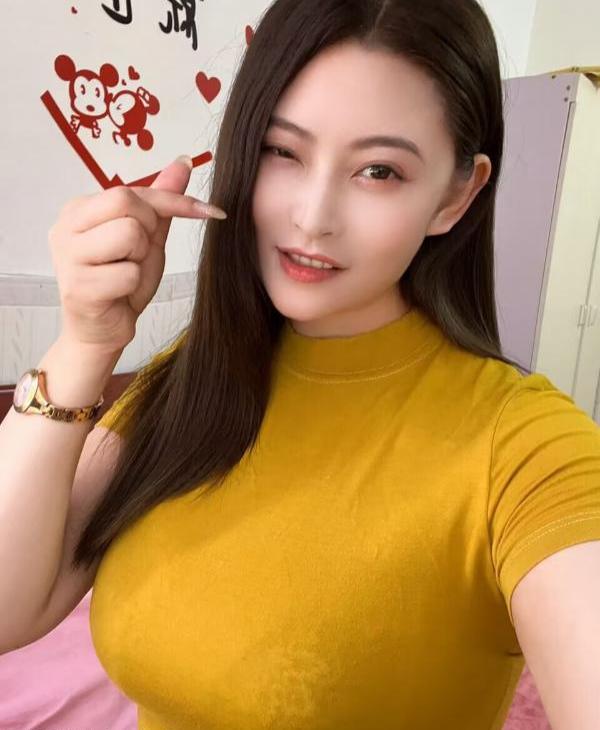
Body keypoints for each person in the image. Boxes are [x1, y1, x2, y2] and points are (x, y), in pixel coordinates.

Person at [1, 0, 599, 728]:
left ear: (455, 196)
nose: (312, 217)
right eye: (282, 151)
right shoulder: (193, 377)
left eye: (378, 170)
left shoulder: (525, 446)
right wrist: (85, 346)